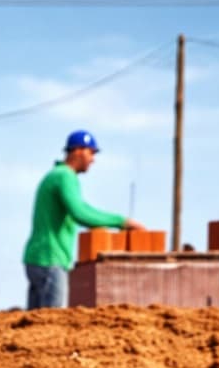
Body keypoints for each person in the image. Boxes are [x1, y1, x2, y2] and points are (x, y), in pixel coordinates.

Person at [21, 130, 143, 309]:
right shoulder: (65, 176)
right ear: (78, 150)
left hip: (37, 258)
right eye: (91, 152)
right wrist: (122, 222)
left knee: (34, 324)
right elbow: (80, 213)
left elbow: (82, 207)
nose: (93, 159)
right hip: (50, 259)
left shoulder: (56, 175)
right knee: (49, 323)